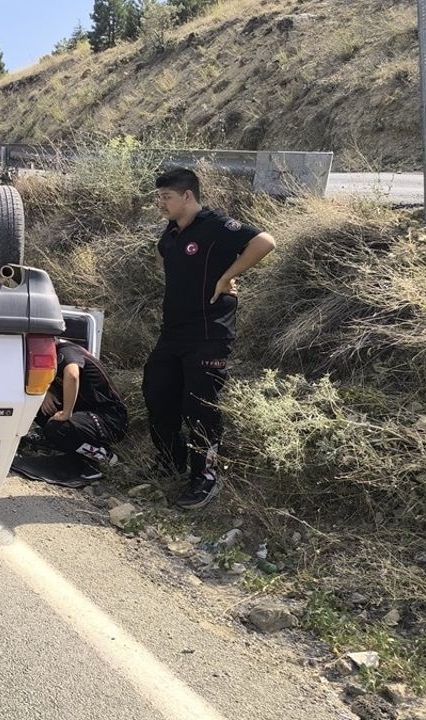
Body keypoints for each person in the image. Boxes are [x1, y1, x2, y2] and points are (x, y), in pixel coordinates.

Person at [145, 167, 276, 509]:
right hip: (173, 331)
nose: (161, 203)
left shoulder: (216, 225)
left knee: (199, 405)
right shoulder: (171, 232)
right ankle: (171, 462)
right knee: (157, 393)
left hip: (209, 334)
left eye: (166, 197)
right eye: (159, 197)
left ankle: (205, 476)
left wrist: (227, 277)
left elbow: (265, 242)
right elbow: (164, 256)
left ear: (187, 196)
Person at [33, 338, 128, 488]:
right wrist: (46, 392)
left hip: (110, 418)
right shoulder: (48, 355)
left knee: (59, 428)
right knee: (38, 405)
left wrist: (66, 413)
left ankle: (105, 457)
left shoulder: (67, 351)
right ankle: (69, 447)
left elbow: (72, 375)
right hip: (86, 412)